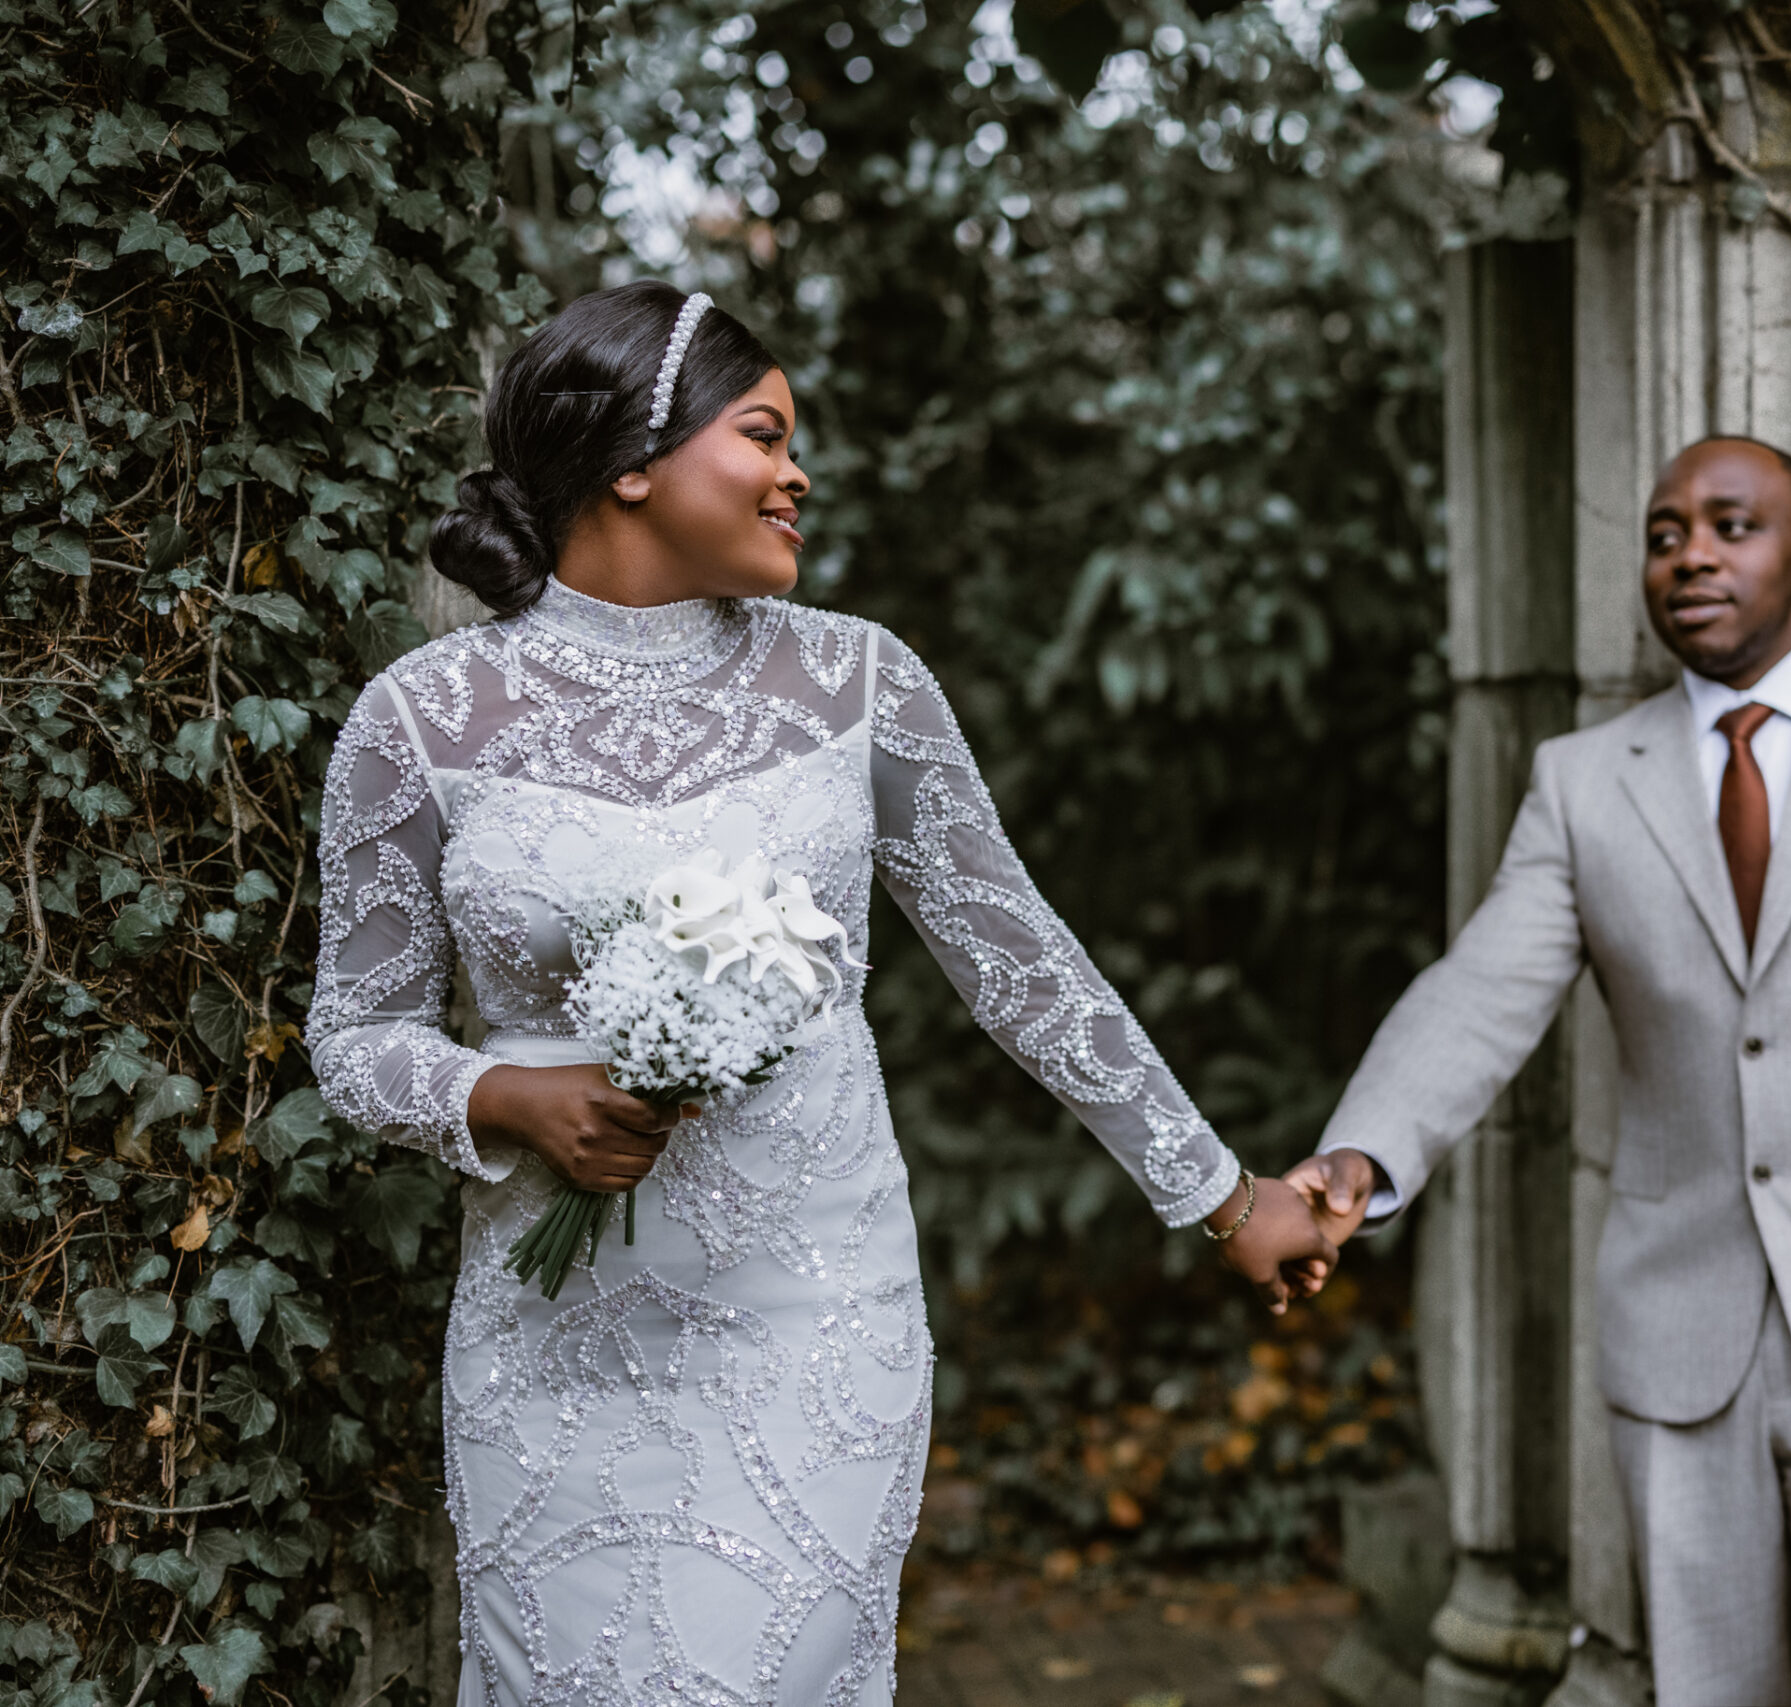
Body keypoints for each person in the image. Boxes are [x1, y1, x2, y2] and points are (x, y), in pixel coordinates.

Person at [307, 281, 1337, 1706]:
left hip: (811, 1322)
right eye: (765, 434)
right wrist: (508, 1094)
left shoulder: (859, 683)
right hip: (555, 1343)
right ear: (632, 460)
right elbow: (355, 1036)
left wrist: (1223, 1193)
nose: (799, 474)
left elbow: (1020, 962)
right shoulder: (419, 721)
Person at [1283, 438, 1791, 1706]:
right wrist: (1358, 1155)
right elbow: (1480, 993)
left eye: (1730, 526)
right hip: (1677, 1344)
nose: (1692, 556)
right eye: (1664, 535)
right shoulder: (1584, 780)